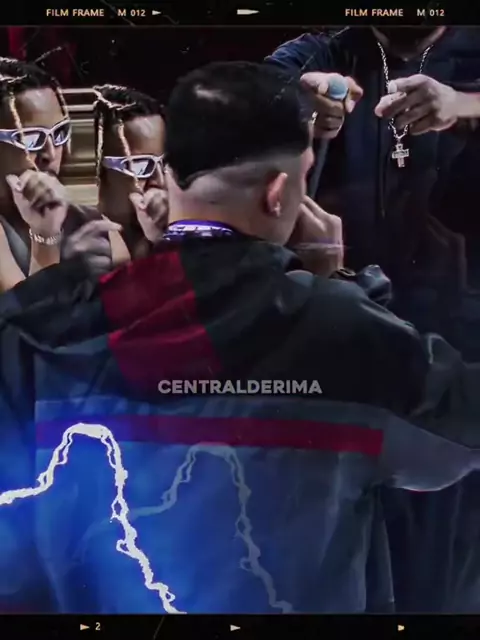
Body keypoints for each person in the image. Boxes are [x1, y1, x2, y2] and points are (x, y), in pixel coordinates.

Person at [1, 61, 480, 614]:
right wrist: (336, 285)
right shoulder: (342, 330)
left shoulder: (49, 325)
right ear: (278, 193)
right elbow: (455, 436)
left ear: (169, 175)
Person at [266, 26, 480, 612]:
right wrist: (298, 105)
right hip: (354, 353)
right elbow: (252, 95)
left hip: (461, 345)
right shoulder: (324, 50)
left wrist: (463, 105)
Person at [0, 56, 121, 290]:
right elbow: (29, 311)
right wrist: (47, 239)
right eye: (30, 138)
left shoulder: (90, 222)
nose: (50, 153)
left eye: (59, 133)